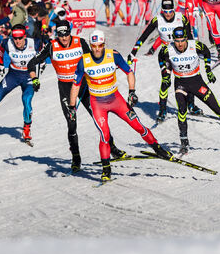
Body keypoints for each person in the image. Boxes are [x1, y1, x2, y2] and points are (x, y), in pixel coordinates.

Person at [68, 28, 171, 182]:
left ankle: (158, 149)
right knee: (104, 135)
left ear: (104, 44)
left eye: (100, 45)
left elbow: (129, 72)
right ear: (90, 45)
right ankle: (106, 169)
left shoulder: (113, 56)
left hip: (116, 100)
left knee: (138, 126)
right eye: (94, 46)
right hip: (97, 104)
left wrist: (132, 92)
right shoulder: (84, 61)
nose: (97, 49)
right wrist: (71, 107)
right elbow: (75, 85)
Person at [27, 20, 123, 171]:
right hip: (65, 88)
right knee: (71, 123)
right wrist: (34, 78)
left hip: (84, 86)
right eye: (60, 35)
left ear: (70, 32)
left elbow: (96, 57)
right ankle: (76, 157)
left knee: (98, 118)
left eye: (66, 34)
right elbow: (32, 63)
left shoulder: (80, 42)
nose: (64, 39)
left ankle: (113, 148)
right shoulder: (52, 45)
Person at [156, 26, 220, 153]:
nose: (180, 44)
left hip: (197, 82)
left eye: (182, 40)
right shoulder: (167, 49)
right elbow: (161, 58)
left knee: (217, 108)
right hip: (180, 83)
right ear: (173, 40)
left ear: (186, 38)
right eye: (177, 41)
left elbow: (206, 52)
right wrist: (165, 75)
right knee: (182, 111)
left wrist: (208, 70)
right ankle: (184, 142)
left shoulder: (195, 45)